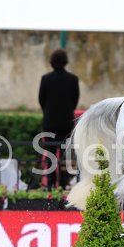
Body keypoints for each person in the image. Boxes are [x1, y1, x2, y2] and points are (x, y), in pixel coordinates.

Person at [38, 49, 80, 188]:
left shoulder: (46, 79)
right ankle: (63, 183)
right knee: (64, 155)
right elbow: (75, 100)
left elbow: (41, 100)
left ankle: (50, 184)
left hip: (50, 123)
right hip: (66, 123)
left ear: (52, 62)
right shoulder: (73, 79)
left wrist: (49, 112)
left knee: (50, 154)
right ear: (65, 62)